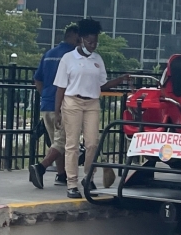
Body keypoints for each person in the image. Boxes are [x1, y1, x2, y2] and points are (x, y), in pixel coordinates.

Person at [55, 18, 131, 199]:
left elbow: (102, 85)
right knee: (72, 144)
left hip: (92, 102)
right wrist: (57, 111)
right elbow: (60, 87)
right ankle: (72, 183)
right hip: (72, 101)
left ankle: (88, 177)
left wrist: (121, 79)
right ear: (81, 39)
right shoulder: (68, 58)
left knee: (92, 143)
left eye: (96, 41)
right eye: (90, 41)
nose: (93, 45)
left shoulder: (98, 59)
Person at [28, 23, 80, 189]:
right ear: (74, 37)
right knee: (62, 141)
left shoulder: (49, 54)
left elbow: (38, 79)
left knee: (56, 142)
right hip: (64, 104)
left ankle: (61, 175)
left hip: (47, 104)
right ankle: (40, 167)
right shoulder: (72, 56)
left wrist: (45, 95)